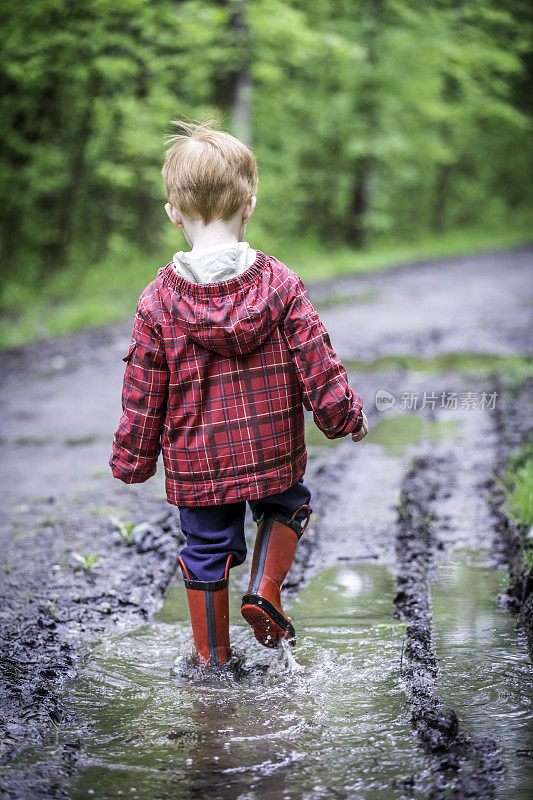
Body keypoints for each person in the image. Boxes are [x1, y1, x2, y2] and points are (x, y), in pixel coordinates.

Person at [110, 118, 369, 667]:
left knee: (203, 551)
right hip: (270, 447)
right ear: (249, 206)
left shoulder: (157, 300)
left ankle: (212, 660)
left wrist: (133, 460)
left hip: (197, 462)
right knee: (288, 505)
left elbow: (143, 393)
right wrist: (343, 416)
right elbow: (317, 361)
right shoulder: (281, 284)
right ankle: (264, 592)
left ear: (173, 213)